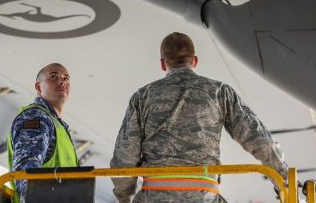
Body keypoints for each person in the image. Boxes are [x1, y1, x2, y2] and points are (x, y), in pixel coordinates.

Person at [110, 32, 288, 203]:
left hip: (154, 196)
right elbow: (259, 139)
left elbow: (125, 155)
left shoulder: (142, 96)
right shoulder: (220, 92)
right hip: (204, 195)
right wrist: (284, 182)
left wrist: (124, 198)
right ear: (194, 61)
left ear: (163, 64)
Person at [7, 63, 79, 203]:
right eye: (53, 76)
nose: (62, 81)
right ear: (39, 87)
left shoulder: (58, 125)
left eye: (66, 78)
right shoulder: (36, 117)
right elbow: (26, 174)